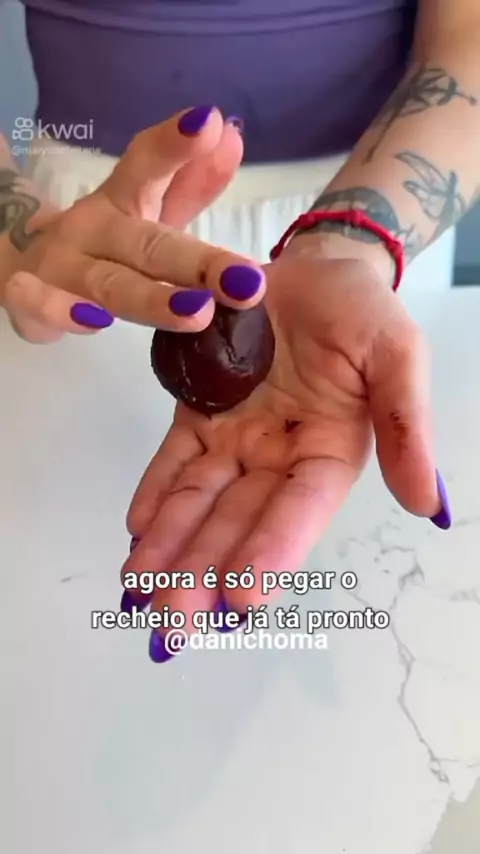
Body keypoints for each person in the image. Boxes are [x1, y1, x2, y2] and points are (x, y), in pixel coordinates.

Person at [0, 0, 475, 663]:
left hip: (383, 216)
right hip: (85, 227)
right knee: (61, 607)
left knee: (368, 624)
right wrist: (16, 230)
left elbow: (469, 38)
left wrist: (350, 247)